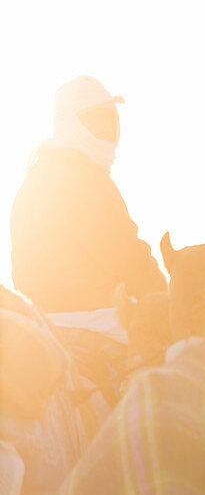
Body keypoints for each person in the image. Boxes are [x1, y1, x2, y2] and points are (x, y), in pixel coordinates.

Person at [10, 76, 166, 322]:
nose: (106, 129)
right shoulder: (84, 180)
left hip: (41, 319)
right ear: (69, 122)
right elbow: (129, 259)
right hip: (96, 317)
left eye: (109, 118)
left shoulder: (36, 177)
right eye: (94, 119)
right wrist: (167, 298)